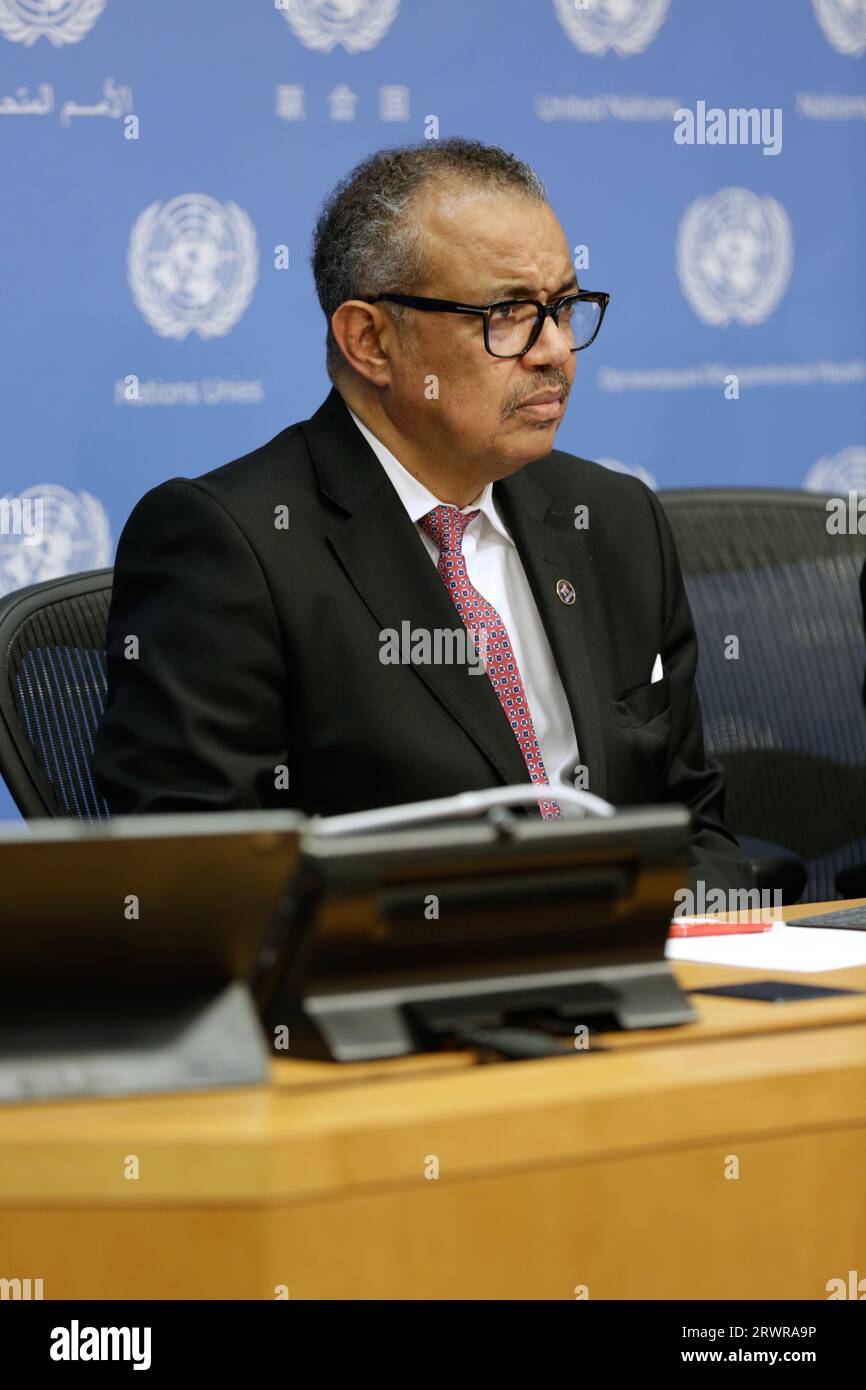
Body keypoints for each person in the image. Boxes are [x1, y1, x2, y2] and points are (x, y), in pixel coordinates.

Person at [92, 137, 754, 894]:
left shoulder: (612, 517)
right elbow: (204, 886)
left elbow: (696, 824)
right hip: (402, 998)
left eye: (564, 308)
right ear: (370, 341)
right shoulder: (228, 548)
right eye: (510, 314)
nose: (557, 351)